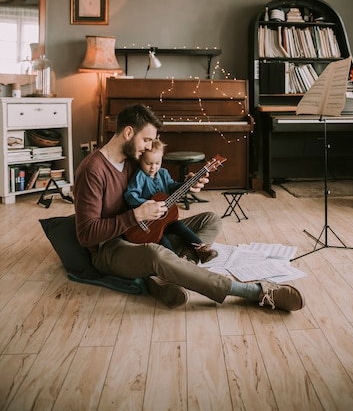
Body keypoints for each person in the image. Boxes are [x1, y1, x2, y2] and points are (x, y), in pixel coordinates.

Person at [74, 103, 305, 311]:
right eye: (145, 140)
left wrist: (188, 185)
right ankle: (255, 292)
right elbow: (86, 235)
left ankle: (178, 269)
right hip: (110, 248)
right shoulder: (92, 170)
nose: (147, 148)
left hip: (144, 231)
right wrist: (135, 215)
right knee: (156, 253)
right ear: (127, 132)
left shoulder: (132, 158)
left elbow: (157, 188)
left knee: (210, 220)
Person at [123, 138, 218, 264]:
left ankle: (201, 249)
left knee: (179, 225)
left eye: (157, 163)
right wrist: (148, 205)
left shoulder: (163, 173)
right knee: (161, 239)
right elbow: (130, 195)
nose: (153, 167)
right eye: (148, 163)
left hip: (164, 221)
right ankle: (176, 262)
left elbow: (172, 188)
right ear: (140, 159)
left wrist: (187, 184)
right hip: (147, 224)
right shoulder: (140, 176)